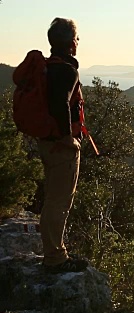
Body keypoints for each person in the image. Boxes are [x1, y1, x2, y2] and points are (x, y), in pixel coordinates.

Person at [39, 17, 89, 273]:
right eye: (77, 38)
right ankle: (55, 259)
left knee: (52, 199)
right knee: (60, 201)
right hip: (61, 147)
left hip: (46, 143)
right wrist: (68, 138)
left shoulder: (48, 67)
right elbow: (60, 103)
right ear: (71, 43)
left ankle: (53, 251)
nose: (78, 42)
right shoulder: (67, 70)